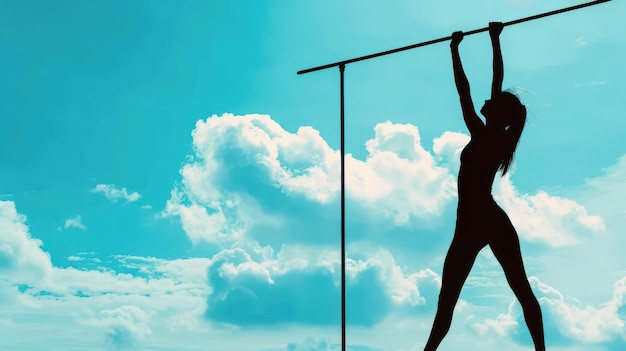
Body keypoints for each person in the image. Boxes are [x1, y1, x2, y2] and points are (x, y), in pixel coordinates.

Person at [423, 22, 545, 351]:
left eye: (493, 101)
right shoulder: (494, 134)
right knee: (448, 299)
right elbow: (488, 82)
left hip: (483, 219)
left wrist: (458, 49)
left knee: (517, 288)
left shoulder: (487, 135)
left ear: (499, 114)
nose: (484, 101)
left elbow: (469, 88)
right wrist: (490, 40)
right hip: (474, 221)